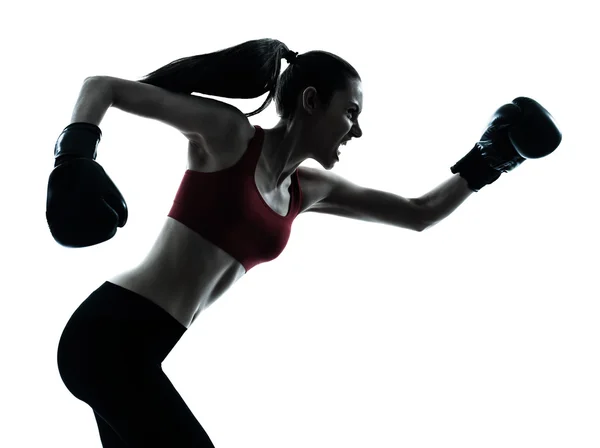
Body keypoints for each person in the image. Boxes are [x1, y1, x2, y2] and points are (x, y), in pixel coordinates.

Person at [46, 38, 562, 447]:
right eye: (351, 112)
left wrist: (489, 159)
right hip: (109, 336)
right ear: (311, 101)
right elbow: (102, 86)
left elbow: (418, 214)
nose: (356, 130)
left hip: (140, 350)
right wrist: (74, 158)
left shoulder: (307, 189)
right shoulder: (230, 136)